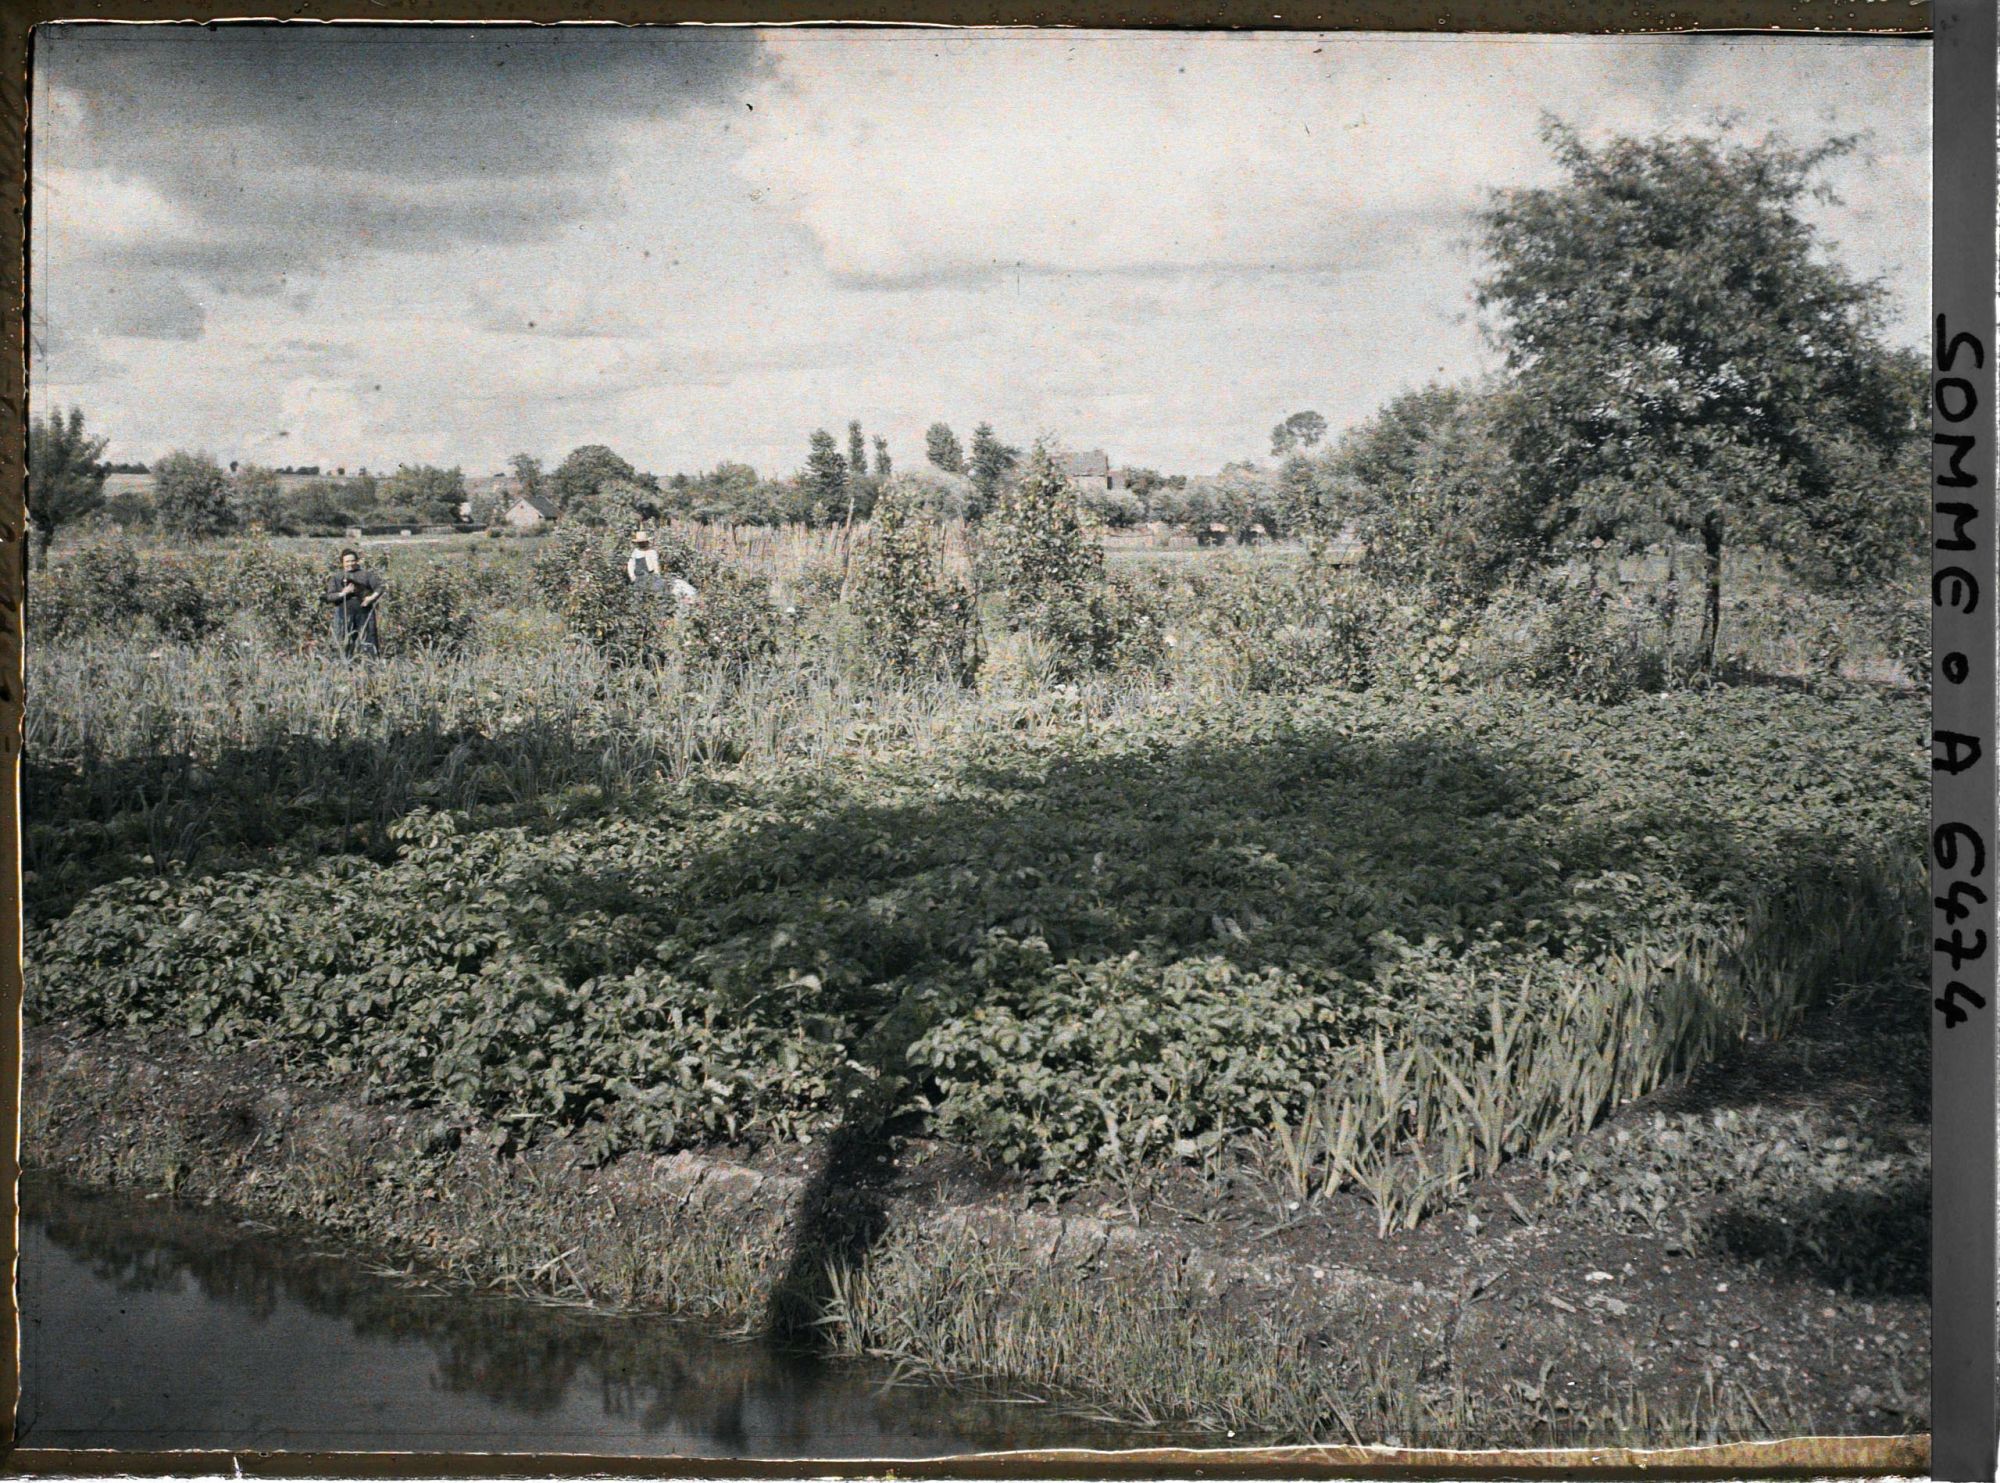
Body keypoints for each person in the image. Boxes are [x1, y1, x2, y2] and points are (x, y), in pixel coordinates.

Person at [325, 548, 383, 657]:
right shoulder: (336, 577)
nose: (350, 564)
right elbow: (329, 596)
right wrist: (343, 593)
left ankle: (371, 666)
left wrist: (370, 598)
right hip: (343, 614)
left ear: (357, 561)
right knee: (343, 641)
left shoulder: (366, 574)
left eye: (353, 561)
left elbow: (379, 588)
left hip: (364, 612)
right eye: (347, 561)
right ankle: (344, 667)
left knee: (369, 640)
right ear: (342, 562)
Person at [627, 529, 665, 593]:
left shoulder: (652, 552)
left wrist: (656, 575)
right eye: (640, 543)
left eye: (643, 542)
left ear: (646, 542)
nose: (641, 544)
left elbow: (655, 565)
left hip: (650, 575)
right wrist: (632, 576)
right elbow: (631, 565)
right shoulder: (635, 552)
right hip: (638, 577)